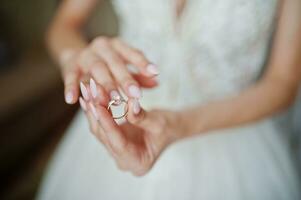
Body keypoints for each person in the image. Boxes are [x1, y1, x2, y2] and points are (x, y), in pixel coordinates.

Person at [37, 0, 301, 199]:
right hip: (120, 121)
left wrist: (178, 124)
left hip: (233, 132)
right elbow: (64, 24)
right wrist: (74, 58)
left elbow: (282, 83)